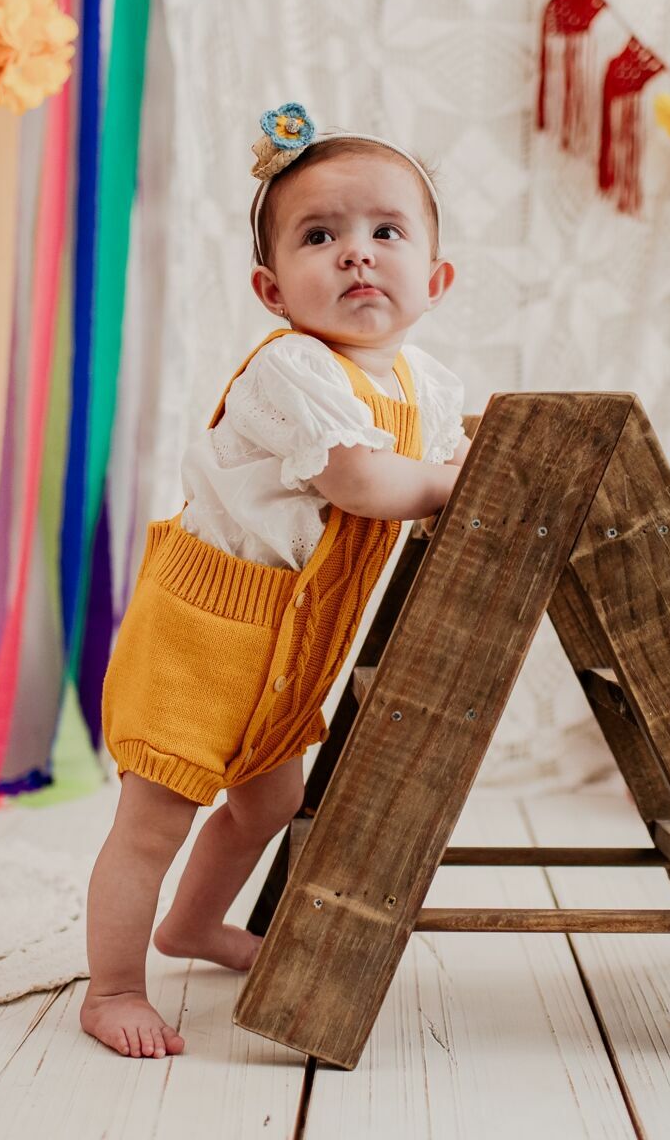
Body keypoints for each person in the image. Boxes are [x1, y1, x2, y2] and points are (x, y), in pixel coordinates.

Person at [80, 104, 470, 1058]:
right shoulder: (294, 368)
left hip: (295, 638)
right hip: (203, 631)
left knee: (267, 803)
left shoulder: (427, 384)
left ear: (435, 278)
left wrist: (478, 459)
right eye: (319, 236)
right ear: (272, 288)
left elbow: (441, 459)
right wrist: (466, 483)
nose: (357, 253)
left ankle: (192, 926)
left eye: (387, 232)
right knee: (153, 820)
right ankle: (112, 987)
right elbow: (365, 482)